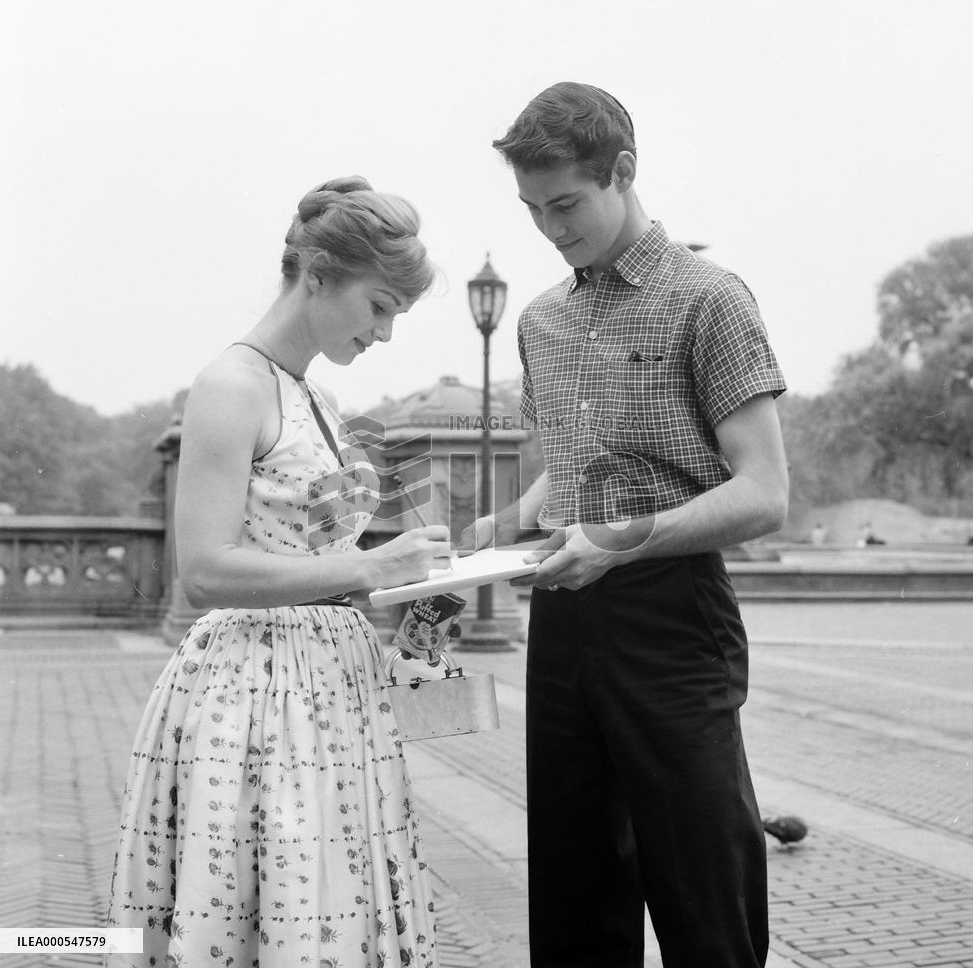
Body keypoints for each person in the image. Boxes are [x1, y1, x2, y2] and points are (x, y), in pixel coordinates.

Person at [463, 83, 789, 967]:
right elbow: (568, 471)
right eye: (532, 209)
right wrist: (490, 532)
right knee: (573, 892)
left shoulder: (709, 298)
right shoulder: (541, 320)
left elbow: (765, 494)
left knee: (704, 894)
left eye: (565, 204)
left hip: (673, 616)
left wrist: (616, 541)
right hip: (566, 616)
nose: (549, 228)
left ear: (624, 171)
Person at [106, 177, 450, 967]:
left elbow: (316, 559)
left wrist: (424, 584)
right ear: (318, 274)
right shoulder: (231, 385)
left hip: (333, 690)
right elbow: (203, 570)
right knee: (269, 914)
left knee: (329, 911)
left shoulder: (317, 396)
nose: (385, 332)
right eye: (380, 306)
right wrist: (369, 566)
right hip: (256, 696)